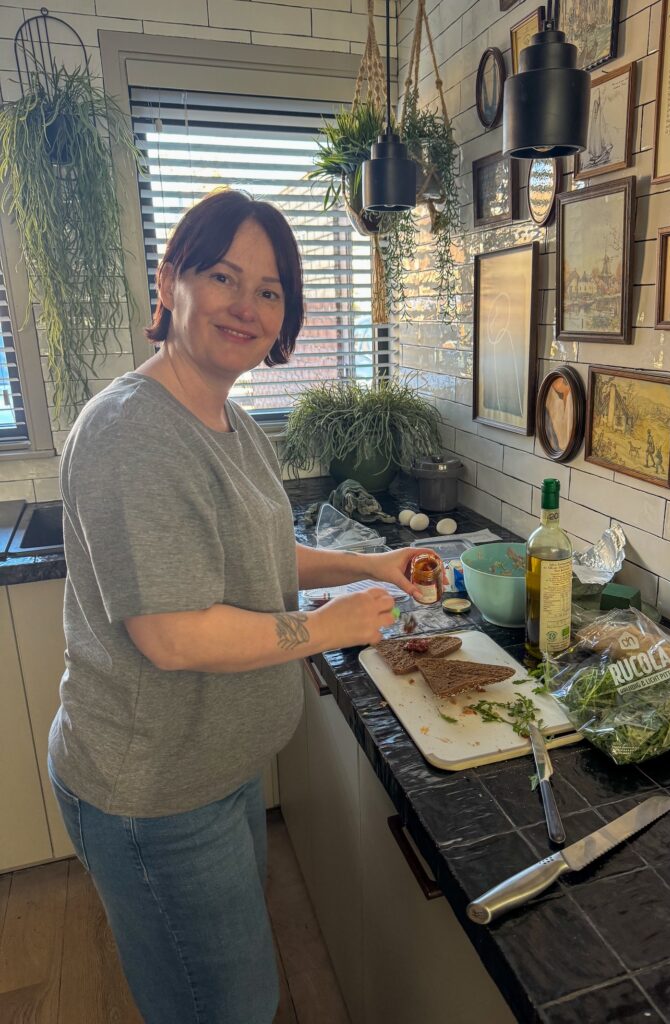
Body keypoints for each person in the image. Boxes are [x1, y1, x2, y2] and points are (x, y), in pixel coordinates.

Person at [47, 188, 434, 1024]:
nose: (247, 306)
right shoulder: (132, 432)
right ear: (171, 282)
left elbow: (260, 558)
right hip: (153, 796)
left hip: (213, 776)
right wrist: (328, 626)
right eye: (225, 276)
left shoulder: (228, 417)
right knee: (225, 1008)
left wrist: (372, 564)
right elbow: (175, 635)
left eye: (269, 290)